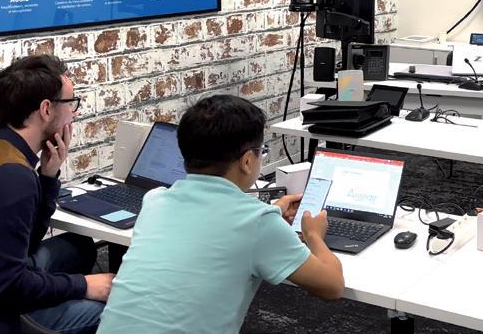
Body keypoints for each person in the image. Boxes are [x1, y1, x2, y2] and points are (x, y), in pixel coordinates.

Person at [97, 95, 344, 334]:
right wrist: (313, 235)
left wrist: (274, 211)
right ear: (247, 161)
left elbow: (209, 226)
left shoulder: (155, 200)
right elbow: (332, 287)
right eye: (261, 151)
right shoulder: (258, 223)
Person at [0, 55, 114, 334]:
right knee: (109, 312)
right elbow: (6, 287)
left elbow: (22, 245)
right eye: (71, 103)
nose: (74, 113)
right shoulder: (11, 177)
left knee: (78, 246)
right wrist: (84, 286)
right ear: (46, 109)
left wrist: (47, 177)